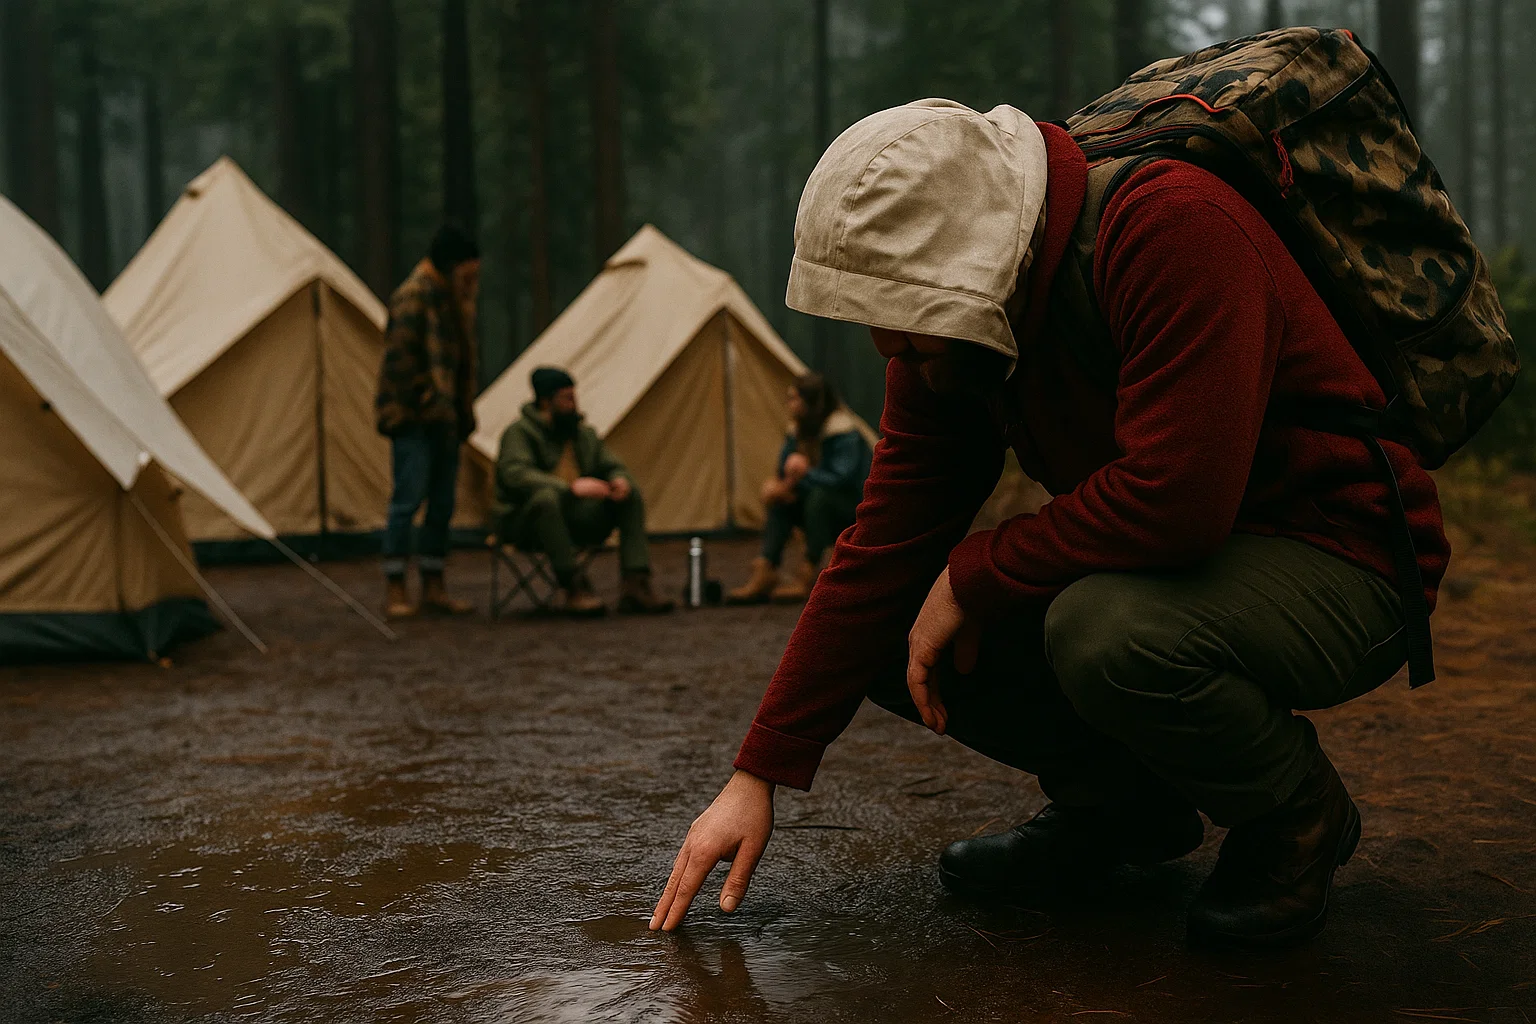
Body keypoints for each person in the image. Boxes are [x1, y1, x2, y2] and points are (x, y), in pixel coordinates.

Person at [650, 99, 1450, 949]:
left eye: (906, 317)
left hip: (1341, 553)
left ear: (972, 256)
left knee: (1105, 629)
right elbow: (882, 545)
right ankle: (1123, 811)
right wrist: (759, 771)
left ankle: (1296, 814)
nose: (890, 349)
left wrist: (978, 568)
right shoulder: (949, 332)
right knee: (892, 626)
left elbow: (1177, 500)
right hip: (1179, 564)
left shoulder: (1172, 226)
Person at [493, 367, 674, 616]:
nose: (574, 404)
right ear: (546, 402)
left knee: (629, 494)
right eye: (566, 398)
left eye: (574, 397)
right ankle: (574, 586)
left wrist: (619, 480)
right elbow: (515, 474)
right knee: (546, 500)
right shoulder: (519, 434)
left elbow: (612, 464)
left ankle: (636, 583)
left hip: (577, 519)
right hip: (528, 524)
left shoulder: (582, 435)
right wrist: (569, 488)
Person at [375, 223, 482, 619]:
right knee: (407, 499)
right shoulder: (413, 297)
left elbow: (461, 363)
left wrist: (459, 410)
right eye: (469, 273)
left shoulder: (456, 300)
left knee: (442, 502)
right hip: (414, 419)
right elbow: (398, 362)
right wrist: (424, 398)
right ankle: (396, 586)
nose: (473, 282)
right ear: (452, 266)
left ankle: (434, 585)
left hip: (446, 418)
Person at [728, 374, 872, 604]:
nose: (790, 404)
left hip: (851, 509)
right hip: (816, 502)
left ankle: (809, 571)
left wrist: (803, 476)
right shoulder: (798, 430)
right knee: (783, 500)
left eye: (795, 398)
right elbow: (785, 467)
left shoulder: (844, 434)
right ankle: (766, 569)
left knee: (818, 497)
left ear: (811, 403)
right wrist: (782, 486)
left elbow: (840, 479)